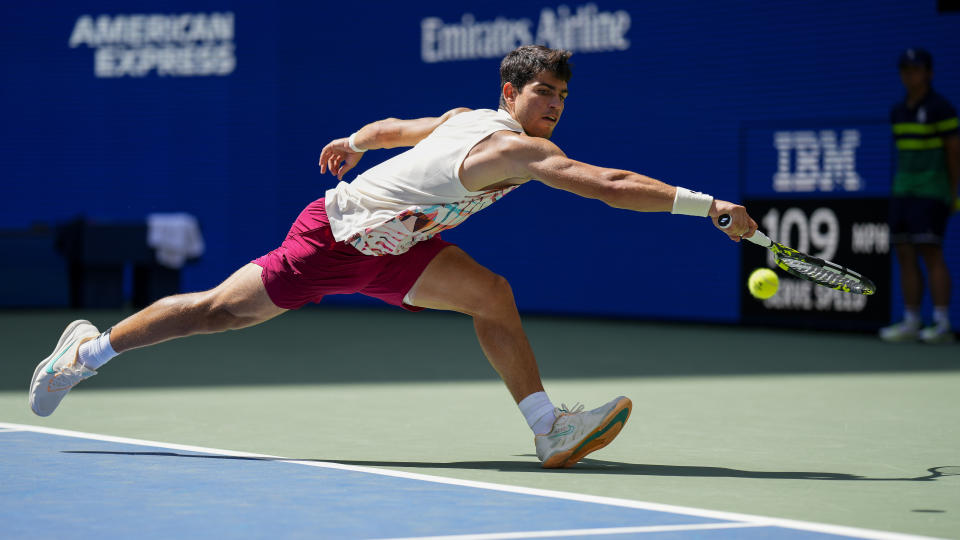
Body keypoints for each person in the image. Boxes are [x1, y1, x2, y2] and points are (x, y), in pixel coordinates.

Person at [29, 45, 758, 468]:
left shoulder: (463, 119)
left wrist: (355, 139)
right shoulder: (512, 146)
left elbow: (395, 130)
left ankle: (548, 429)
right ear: (511, 93)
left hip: (402, 247)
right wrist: (706, 205)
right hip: (336, 238)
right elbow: (608, 186)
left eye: (563, 96)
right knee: (218, 313)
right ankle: (86, 355)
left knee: (491, 294)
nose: (555, 106)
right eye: (544, 93)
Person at [879, 48, 959, 344]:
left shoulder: (942, 108)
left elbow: (954, 153)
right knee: (904, 253)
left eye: (916, 69)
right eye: (905, 69)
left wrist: (953, 193)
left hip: (932, 192)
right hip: (903, 191)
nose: (909, 75)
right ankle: (912, 320)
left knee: (931, 253)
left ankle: (941, 323)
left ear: (929, 73)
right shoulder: (898, 111)